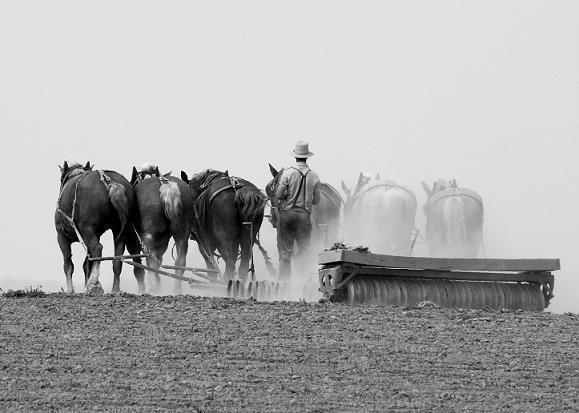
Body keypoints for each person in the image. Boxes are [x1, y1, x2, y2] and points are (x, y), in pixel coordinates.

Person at [274, 140, 321, 281]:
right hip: (304, 217)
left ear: (295, 156)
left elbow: (278, 195)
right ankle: (303, 283)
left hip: (288, 215)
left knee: (286, 252)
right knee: (304, 251)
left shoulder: (288, 173)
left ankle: (283, 283)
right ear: (307, 157)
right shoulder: (314, 176)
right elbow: (316, 200)